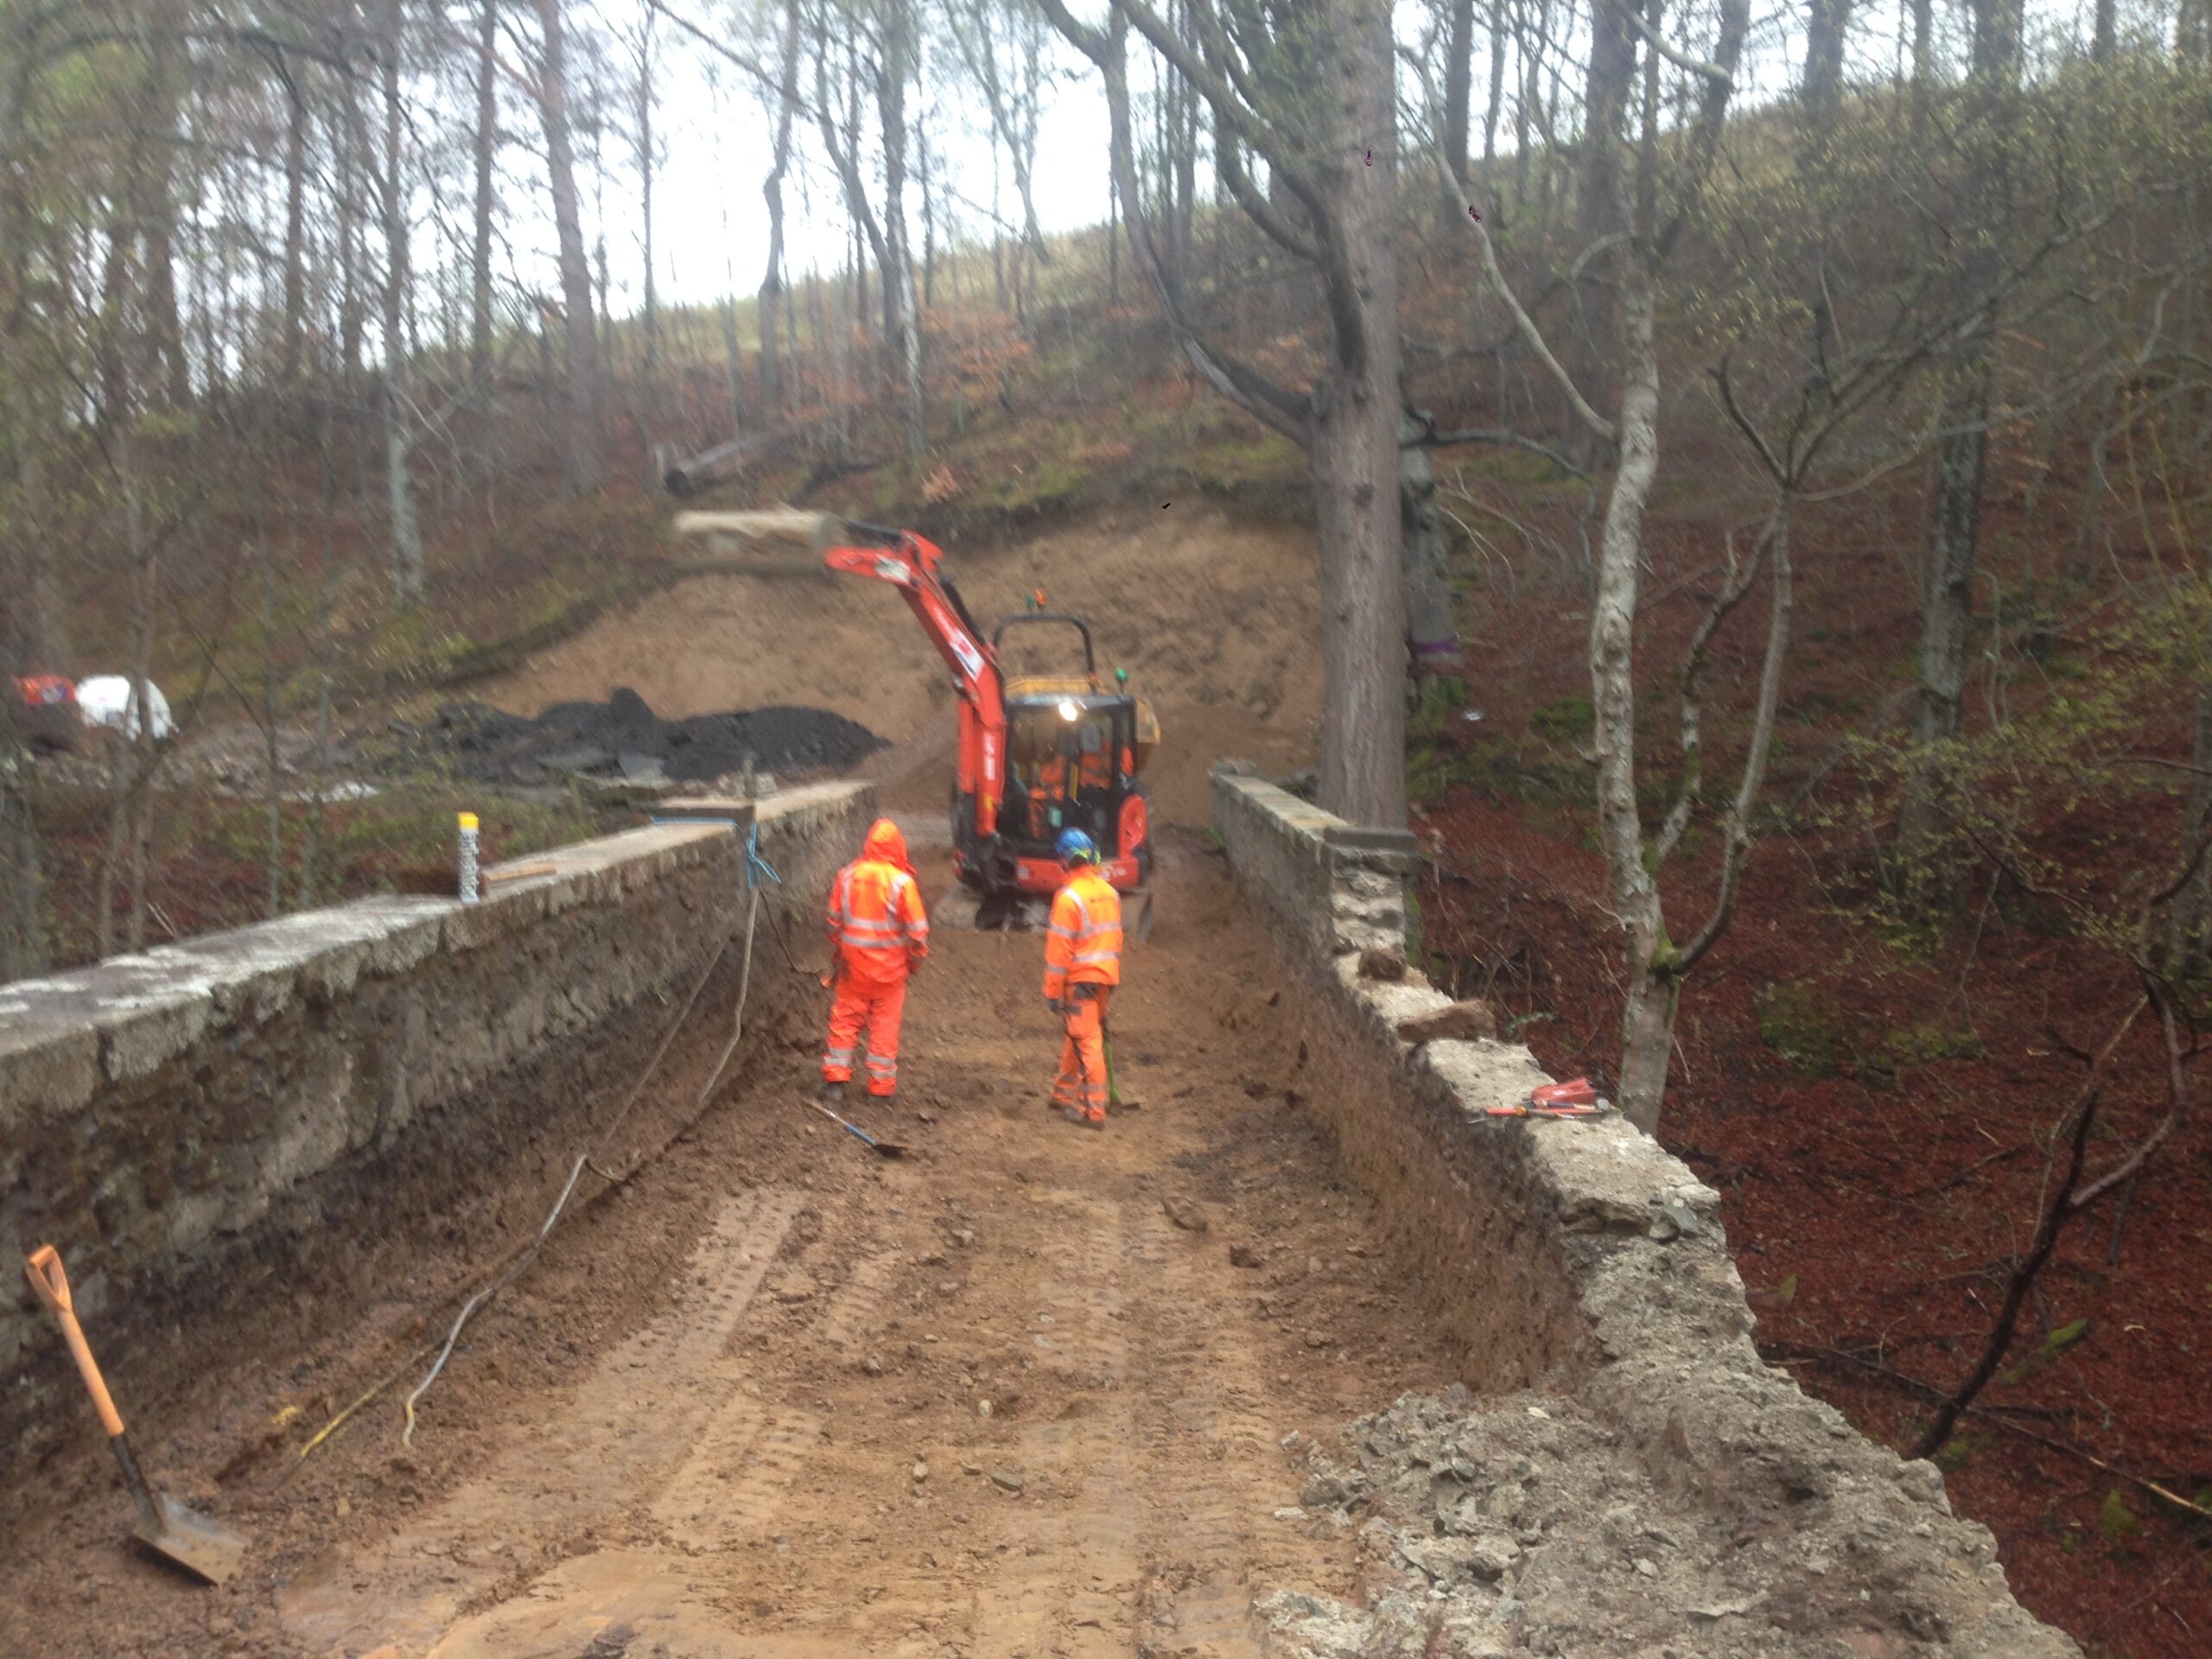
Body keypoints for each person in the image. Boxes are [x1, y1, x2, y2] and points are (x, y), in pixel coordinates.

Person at [821, 818, 929, 1102]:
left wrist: (839, 955)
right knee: (884, 1027)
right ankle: (879, 1090)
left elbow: (833, 923)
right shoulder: (903, 883)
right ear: (898, 848)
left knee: (844, 1022)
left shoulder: (846, 876)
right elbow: (918, 933)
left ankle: (835, 1082)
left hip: (853, 970)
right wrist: (914, 963)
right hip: (889, 975)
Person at [1043, 828, 1123, 1129]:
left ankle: (1093, 1112)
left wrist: (1052, 992)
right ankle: (1062, 1095)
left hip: (1080, 983)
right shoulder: (1110, 893)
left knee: (1087, 1041)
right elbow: (1116, 939)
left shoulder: (1068, 899)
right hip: (1105, 978)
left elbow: (1058, 954)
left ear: (1064, 860)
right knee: (1077, 1036)